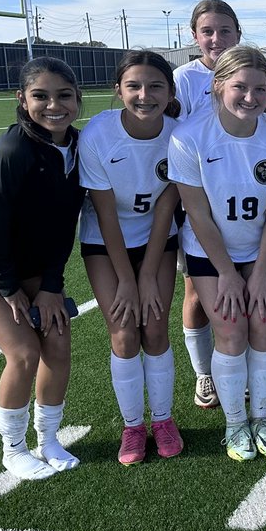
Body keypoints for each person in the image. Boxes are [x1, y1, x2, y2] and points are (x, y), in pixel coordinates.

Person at [0, 56, 86, 480]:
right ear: (22, 100)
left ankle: (49, 439)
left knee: (57, 344)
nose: (53, 105)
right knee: (24, 351)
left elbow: (64, 227)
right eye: (40, 96)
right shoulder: (13, 151)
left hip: (31, 263)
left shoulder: (79, 146)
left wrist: (51, 286)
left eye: (63, 95)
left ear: (78, 99)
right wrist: (11, 291)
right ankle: (13, 448)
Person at [168, 45, 266, 462]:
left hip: (262, 250)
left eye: (259, 89)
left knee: (263, 326)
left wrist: (260, 271)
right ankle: (234, 423)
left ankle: (261, 418)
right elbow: (197, 212)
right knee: (230, 331)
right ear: (217, 85)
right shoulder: (189, 137)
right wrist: (226, 273)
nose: (250, 97)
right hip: (211, 254)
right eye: (240, 87)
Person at [79, 51, 183, 465]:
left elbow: (165, 209)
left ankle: (163, 419)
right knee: (124, 331)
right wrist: (128, 280)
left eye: (156, 86)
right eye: (134, 86)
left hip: (157, 241)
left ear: (170, 92)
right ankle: (133, 426)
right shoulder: (98, 135)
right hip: (106, 244)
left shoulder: (179, 136)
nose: (145, 95)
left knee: (155, 329)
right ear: (118, 90)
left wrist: (147, 276)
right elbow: (105, 214)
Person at [172, 0, 244, 411]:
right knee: (199, 292)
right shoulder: (184, 77)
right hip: (198, 197)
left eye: (225, 30)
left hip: (245, 197)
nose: (216, 39)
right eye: (208, 31)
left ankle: (237, 365)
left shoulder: (253, 71)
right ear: (194, 35)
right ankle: (205, 375)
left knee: (251, 293)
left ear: (238, 32)